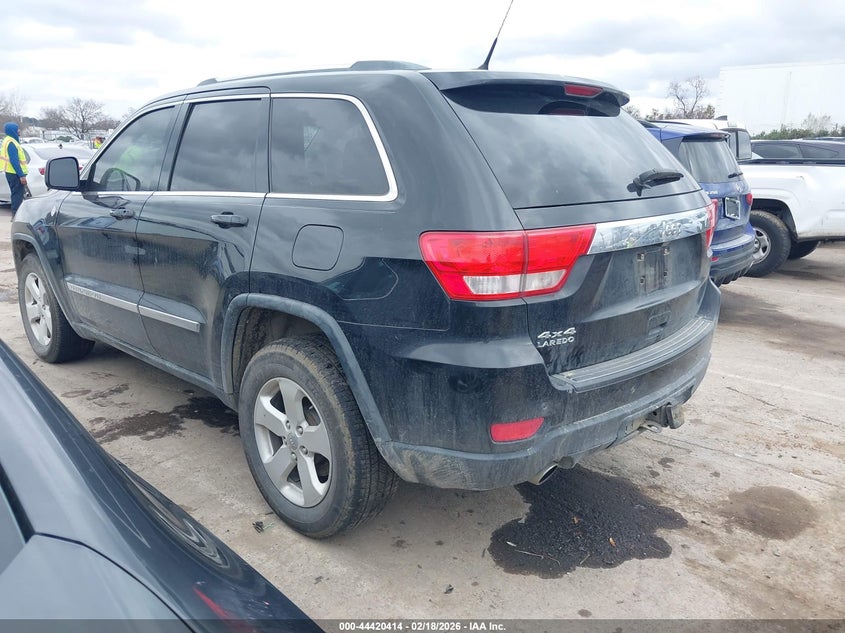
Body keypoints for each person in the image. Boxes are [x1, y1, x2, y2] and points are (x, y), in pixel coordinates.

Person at [1, 122, 29, 211]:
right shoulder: (12, 143)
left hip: (10, 172)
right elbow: (14, 160)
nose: (19, 131)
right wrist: (21, 175)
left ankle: (15, 213)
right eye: (17, 129)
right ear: (13, 130)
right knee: (17, 195)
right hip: (14, 173)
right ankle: (16, 214)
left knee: (15, 194)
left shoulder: (8, 140)